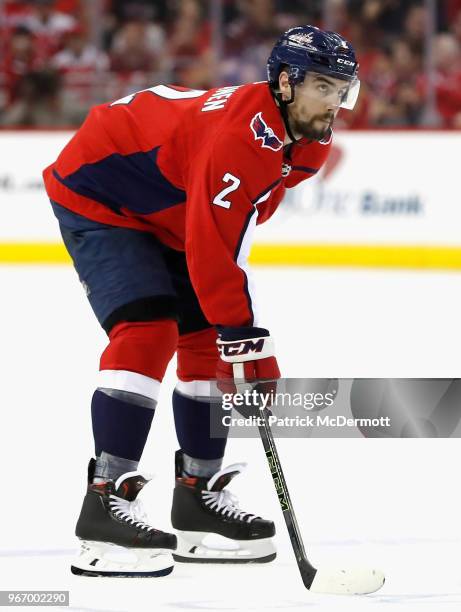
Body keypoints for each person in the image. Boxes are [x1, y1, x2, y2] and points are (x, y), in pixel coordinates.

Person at [42, 24, 359, 578]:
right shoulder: (238, 140)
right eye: (323, 87)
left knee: (209, 340)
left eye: (342, 90)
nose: (334, 103)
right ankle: (105, 504)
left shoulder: (306, 139)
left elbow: (232, 235)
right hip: (100, 194)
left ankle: (197, 497)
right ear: (285, 82)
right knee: (148, 328)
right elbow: (217, 253)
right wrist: (248, 337)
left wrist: (239, 337)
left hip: (171, 203)